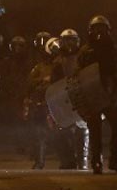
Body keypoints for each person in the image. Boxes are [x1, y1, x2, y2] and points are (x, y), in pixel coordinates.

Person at [78, 15, 117, 174]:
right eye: (96, 29)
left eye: (102, 28)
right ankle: (96, 162)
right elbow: (80, 73)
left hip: (110, 95)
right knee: (94, 129)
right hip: (93, 94)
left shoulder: (113, 49)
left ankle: (114, 160)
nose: (99, 32)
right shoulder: (86, 50)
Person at [51, 29, 89, 170]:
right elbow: (54, 83)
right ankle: (67, 161)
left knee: (83, 130)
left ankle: (82, 161)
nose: (70, 44)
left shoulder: (83, 58)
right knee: (62, 131)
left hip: (80, 97)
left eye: (72, 40)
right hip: (64, 99)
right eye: (67, 40)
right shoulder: (57, 62)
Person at [25, 35, 56, 169]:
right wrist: (43, 80)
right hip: (42, 104)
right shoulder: (39, 67)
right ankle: (39, 161)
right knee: (40, 133)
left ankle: (68, 161)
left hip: (57, 103)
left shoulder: (59, 65)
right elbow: (30, 82)